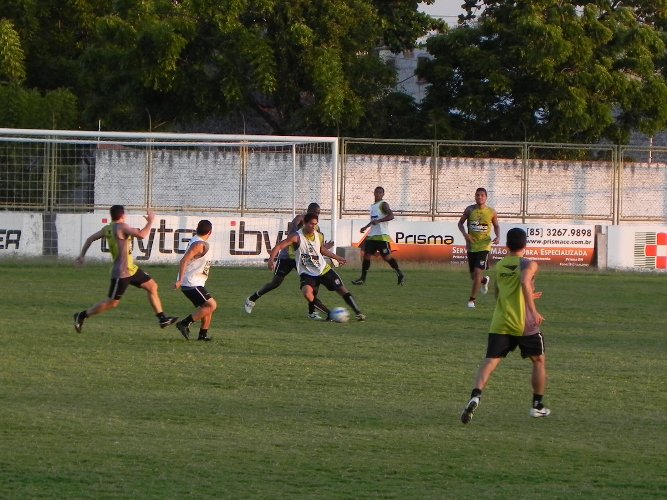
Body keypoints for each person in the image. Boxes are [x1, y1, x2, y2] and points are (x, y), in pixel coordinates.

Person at [460, 227, 550, 424]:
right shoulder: (529, 263)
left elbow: (500, 294)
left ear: (507, 245)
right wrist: (533, 311)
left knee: (490, 361)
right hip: (524, 323)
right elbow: (525, 282)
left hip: (501, 321)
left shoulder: (500, 266)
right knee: (539, 361)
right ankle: (537, 406)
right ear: (525, 244)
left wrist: (524, 297)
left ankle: (475, 395)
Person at [73, 205, 178, 333]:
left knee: (152, 286)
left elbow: (90, 239)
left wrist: (82, 255)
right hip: (121, 273)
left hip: (131, 269)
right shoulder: (122, 227)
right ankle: (82, 315)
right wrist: (150, 221)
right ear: (122, 215)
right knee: (112, 303)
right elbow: (142, 235)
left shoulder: (107, 228)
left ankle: (162, 319)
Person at [268, 212, 366, 321]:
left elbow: (322, 249)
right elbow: (279, 245)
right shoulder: (296, 237)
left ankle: (358, 313)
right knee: (307, 293)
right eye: (311, 224)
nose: (313, 226)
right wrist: (271, 259)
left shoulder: (319, 235)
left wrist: (337, 257)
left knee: (342, 289)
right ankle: (330, 314)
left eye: (315, 224)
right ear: (304, 223)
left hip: (323, 270)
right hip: (307, 273)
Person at [244, 202, 333, 319]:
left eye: (318, 213)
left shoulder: (316, 227)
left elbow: (315, 247)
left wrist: (325, 247)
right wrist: (295, 232)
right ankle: (251, 299)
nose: (316, 214)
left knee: (312, 283)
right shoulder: (300, 218)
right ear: (308, 211)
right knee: (276, 283)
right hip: (287, 257)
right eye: (314, 212)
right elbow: (293, 228)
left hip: (301, 259)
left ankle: (312, 312)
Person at [351, 186, 405, 286]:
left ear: (383, 194)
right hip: (372, 236)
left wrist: (379, 221)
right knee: (366, 255)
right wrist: (365, 227)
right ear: (374, 193)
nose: (378, 194)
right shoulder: (373, 206)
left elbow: (391, 216)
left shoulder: (383, 204)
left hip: (382, 236)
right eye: (377, 192)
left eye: (380, 192)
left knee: (387, 257)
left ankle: (400, 274)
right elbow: (373, 220)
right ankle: (362, 279)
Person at [174, 220, 216, 341]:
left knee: (207, 307)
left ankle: (202, 336)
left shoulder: (198, 242)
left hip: (196, 281)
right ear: (210, 232)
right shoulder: (198, 244)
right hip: (191, 282)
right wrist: (180, 280)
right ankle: (184, 323)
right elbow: (184, 261)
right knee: (212, 305)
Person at [458, 187, 500, 308]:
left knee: (477, 272)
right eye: (477, 195)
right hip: (471, 246)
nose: (479, 197)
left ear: (486, 197)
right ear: (475, 196)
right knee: (474, 277)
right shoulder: (469, 209)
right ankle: (484, 281)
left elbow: (496, 225)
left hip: (485, 245)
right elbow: (460, 223)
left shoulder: (491, 211)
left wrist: (498, 236)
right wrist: (466, 236)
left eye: (482, 195)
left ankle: (472, 300)